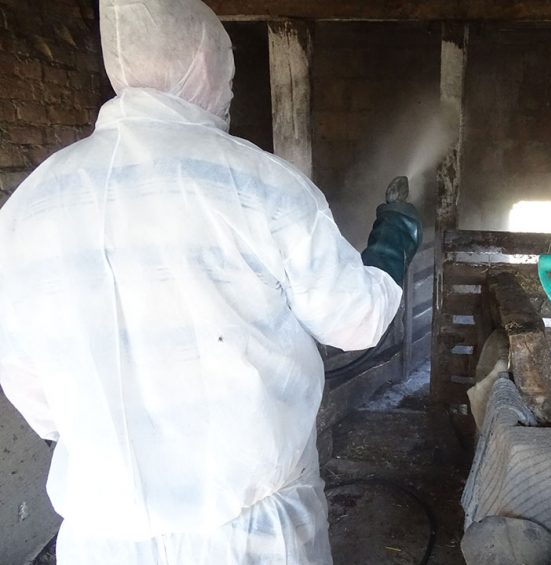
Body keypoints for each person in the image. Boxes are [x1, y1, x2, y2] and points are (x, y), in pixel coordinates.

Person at [0, 0, 421, 563]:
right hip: (252, 536)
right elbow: (358, 319)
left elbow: (38, 400)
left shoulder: (27, 207)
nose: (229, 89)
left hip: (102, 538)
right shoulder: (259, 183)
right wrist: (393, 240)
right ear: (202, 61)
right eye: (229, 71)